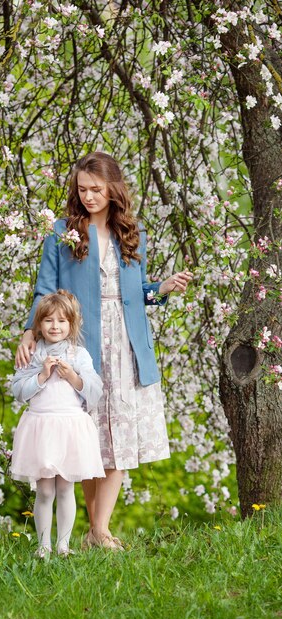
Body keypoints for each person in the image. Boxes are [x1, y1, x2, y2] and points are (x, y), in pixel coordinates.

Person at [16, 152, 193, 550]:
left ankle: (100, 530)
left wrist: (161, 289)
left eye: (96, 189)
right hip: (82, 348)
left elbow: (135, 294)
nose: (89, 196)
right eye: (82, 189)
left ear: (113, 189)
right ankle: (96, 532)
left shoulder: (132, 233)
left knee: (120, 438)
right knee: (88, 439)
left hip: (127, 346)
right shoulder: (62, 233)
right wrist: (30, 331)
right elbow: (45, 288)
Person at [11, 289, 105, 557]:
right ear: (39, 324)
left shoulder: (79, 355)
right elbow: (18, 390)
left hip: (69, 428)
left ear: (71, 324)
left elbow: (95, 390)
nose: (55, 326)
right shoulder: (32, 354)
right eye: (49, 320)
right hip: (41, 428)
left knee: (65, 487)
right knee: (44, 489)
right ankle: (43, 545)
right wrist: (41, 376)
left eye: (62, 321)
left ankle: (63, 544)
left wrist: (73, 377)